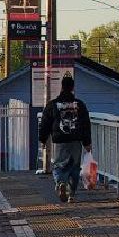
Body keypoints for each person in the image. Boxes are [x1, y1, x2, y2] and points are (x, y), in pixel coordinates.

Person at [39, 73, 92, 203]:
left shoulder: (52, 105)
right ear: (72, 88)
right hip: (76, 140)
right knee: (75, 167)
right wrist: (87, 143)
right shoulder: (80, 105)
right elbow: (85, 124)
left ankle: (61, 182)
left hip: (59, 140)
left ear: (62, 87)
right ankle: (71, 195)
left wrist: (43, 139)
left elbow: (45, 123)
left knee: (59, 165)